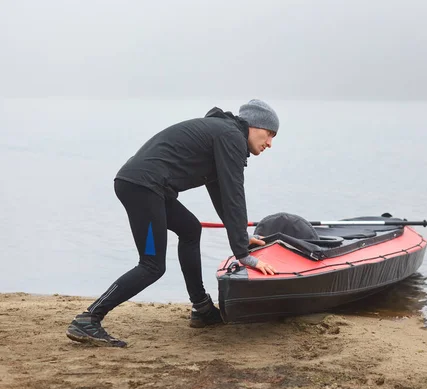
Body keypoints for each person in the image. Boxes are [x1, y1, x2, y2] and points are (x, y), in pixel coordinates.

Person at [66, 99, 279, 347]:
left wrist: (240, 234)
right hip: (143, 187)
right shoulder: (231, 137)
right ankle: (88, 318)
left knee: (190, 229)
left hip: (146, 186)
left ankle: (201, 308)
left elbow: (221, 190)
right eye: (269, 134)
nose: (270, 144)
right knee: (151, 265)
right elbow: (234, 192)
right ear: (254, 125)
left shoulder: (224, 133)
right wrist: (243, 253)